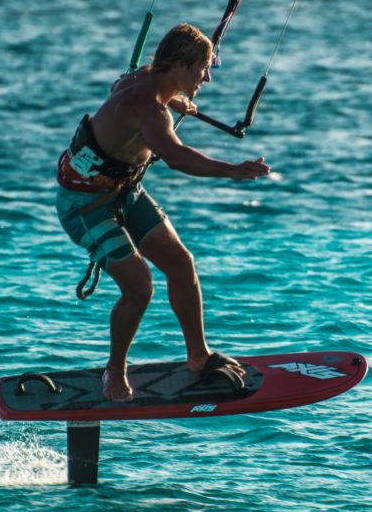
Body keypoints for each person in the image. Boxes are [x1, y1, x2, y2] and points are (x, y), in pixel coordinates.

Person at [55, 23, 271, 402]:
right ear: (181, 66)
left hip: (123, 190)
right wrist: (232, 170)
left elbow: (119, 90)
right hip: (84, 206)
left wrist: (172, 98)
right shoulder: (151, 111)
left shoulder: (144, 81)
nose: (207, 77)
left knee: (180, 262)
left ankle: (198, 356)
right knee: (139, 285)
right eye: (203, 68)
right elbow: (176, 156)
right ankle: (115, 371)